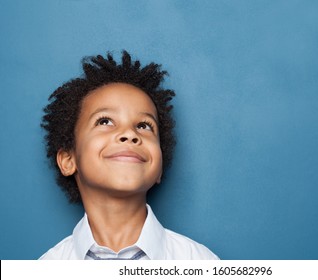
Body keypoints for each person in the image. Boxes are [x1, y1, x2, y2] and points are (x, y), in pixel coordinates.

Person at [39, 51, 218, 260]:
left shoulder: (200, 261)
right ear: (68, 160)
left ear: (159, 166)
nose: (129, 134)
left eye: (144, 126)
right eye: (104, 121)